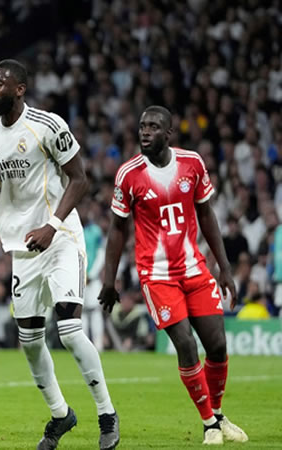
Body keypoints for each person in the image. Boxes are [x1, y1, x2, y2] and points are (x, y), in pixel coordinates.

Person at [0, 59, 119, 450]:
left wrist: (52, 226)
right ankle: (60, 414)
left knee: (69, 330)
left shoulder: (47, 125)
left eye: (0, 83)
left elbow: (80, 179)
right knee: (30, 340)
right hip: (22, 247)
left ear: (20, 89)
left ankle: (107, 414)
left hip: (60, 238)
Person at [98, 105, 248, 445]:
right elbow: (117, 229)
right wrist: (110, 279)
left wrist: (224, 268)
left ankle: (218, 414)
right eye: (142, 126)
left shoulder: (192, 163)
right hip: (157, 276)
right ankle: (209, 423)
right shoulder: (129, 174)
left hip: (194, 269)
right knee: (186, 344)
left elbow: (206, 214)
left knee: (218, 346)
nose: (145, 132)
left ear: (169, 134)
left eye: (153, 127)